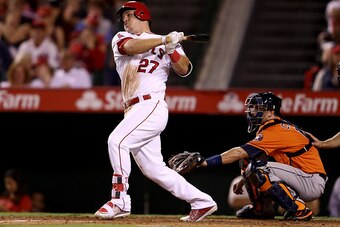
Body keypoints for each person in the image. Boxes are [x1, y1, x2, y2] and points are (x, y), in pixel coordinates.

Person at [94, 1, 217, 222]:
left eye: (129, 16)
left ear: (141, 14)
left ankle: (120, 200)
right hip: (133, 109)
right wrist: (163, 41)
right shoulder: (121, 38)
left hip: (151, 105)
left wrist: (172, 50)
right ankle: (202, 201)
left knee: (117, 141)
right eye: (124, 18)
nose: (125, 21)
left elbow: (185, 69)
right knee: (153, 169)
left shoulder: (168, 42)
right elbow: (130, 48)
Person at [198, 92, 327, 221]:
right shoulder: (275, 127)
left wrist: (205, 162)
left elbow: (238, 152)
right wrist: (244, 180)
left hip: (311, 180)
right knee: (248, 161)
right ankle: (262, 210)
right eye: (252, 108)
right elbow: (250, 158)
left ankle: (299, 210)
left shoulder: (276, 130)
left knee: (256, 168)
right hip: (303, 176)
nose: (252, 112)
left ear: (271, 112)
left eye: (258, 108)